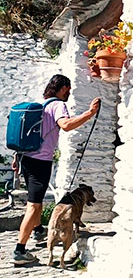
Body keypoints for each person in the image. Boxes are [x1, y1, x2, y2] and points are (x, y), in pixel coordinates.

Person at [11, 74, 101, 265]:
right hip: (40, 163)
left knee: (37, 198)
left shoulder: (40, 105)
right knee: (33, 205)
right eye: (68, 89)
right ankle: (19, 250)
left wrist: (16, 157)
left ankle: (38, 232)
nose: (68, 93)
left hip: (26, 159)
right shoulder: (58, 105)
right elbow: (66, 125)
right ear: (63, 88)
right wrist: (90, 113)